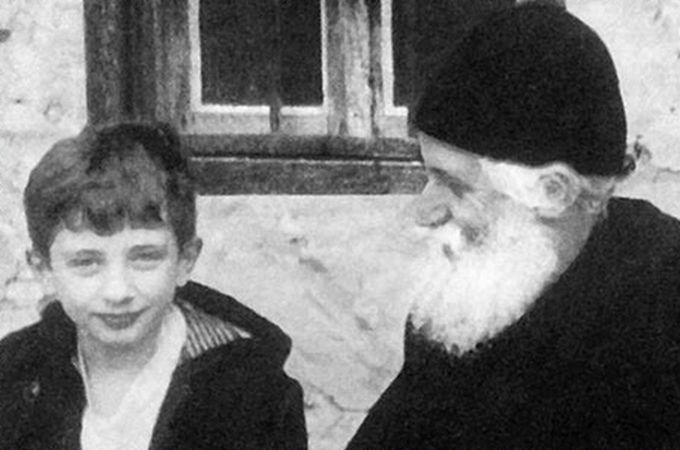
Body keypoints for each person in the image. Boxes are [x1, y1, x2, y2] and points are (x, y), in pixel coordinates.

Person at [348, 3, 680, 449]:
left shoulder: (662, 321)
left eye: (455, 185)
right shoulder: (462, 308)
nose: (422, 211)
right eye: (428, 176)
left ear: (554, 193)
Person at [0, 122, 307, 449]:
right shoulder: (13, 376)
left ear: (185, 260)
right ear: (44, 269)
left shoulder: (254, 396)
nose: (118, 291)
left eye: (144, 258)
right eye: (86, 262)